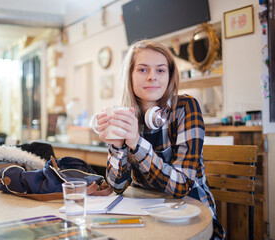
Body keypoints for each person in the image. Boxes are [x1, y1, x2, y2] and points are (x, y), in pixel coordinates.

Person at [93, 39, 225, 239]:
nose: (152, 77)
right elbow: (117, 186)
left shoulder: (185, 108)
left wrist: (137, 143)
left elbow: (181, 186)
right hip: (144, 215)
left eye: (161, 70)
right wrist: (118, 146)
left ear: (170, 76)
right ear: (130, 75)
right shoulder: (124, 114)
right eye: (143, 70)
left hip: (191, 216)